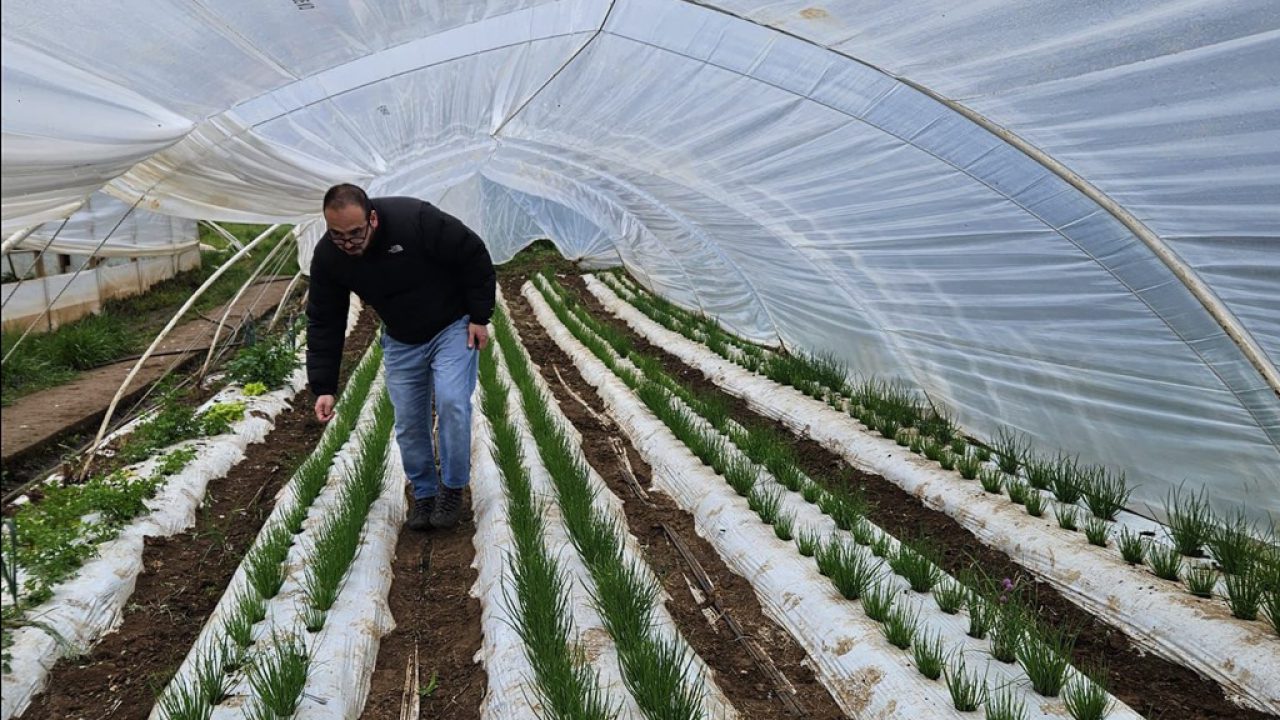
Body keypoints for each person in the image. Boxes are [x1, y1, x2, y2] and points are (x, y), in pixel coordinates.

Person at [306, 184, 495, 530]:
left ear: (373, 219)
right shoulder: (329, 257)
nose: (348, 243)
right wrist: (324, 386)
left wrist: (480, 316)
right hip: (401, 338)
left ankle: (452, 488)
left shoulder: (415, 219)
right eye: (337, 235)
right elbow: (324, 319)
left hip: (451, 326)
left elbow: (473, 254)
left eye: (355, 233)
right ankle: (424, 493)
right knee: (408, 420)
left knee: (452, 401)